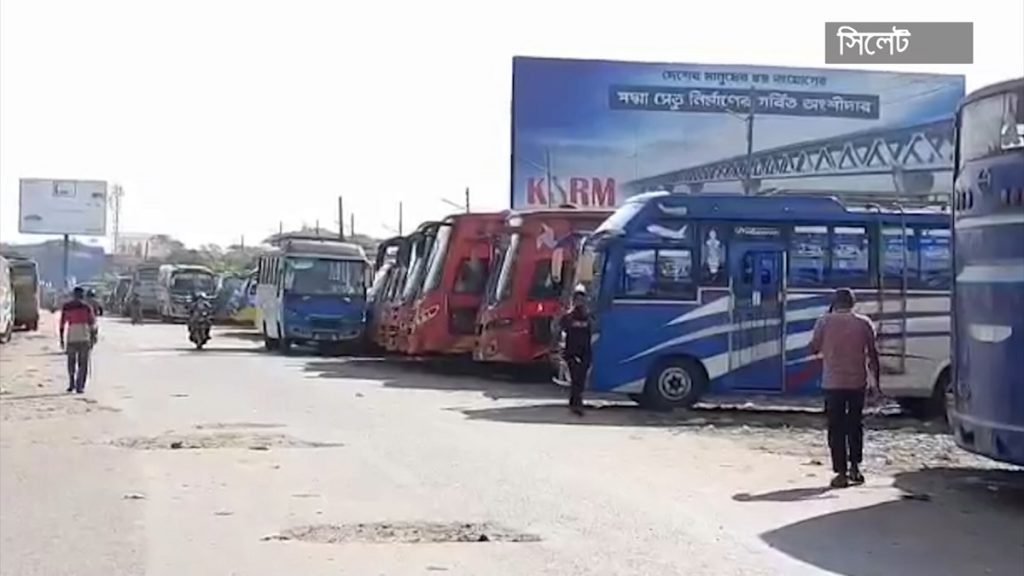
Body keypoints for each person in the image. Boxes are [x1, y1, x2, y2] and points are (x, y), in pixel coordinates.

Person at [810, 288, 880, 488]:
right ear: (853, 303)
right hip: (857, 382)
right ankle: (855, 468)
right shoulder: (864, 323)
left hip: (833, 384)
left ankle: (840, 473)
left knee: (836, 428)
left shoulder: (824, 322)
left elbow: (814, 348)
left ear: (834, 303)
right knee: (855, 425)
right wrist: (876, 383)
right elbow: (873, 354)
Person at [559, 285, 592, 416]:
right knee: (575, 377)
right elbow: (561, 330)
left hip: (585, 352)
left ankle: (575, 401)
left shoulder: (588, 317)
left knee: (581, 379)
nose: (580, 302)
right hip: (572, 352)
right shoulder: (568, 317)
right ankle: (577, 404)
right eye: (577, 299)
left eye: (582, 299)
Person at [59, 286, 98, 394]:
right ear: (82, 295)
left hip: (72, 337)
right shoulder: (87, 307)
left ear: (73, 295)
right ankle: (80, 386)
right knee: (83, 363)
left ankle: (72, 383)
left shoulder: (67, 306)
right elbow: (92, 324)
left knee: (71, 362)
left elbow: (62, 324)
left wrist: (61, 339)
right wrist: (94, 337)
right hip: (84, 337)